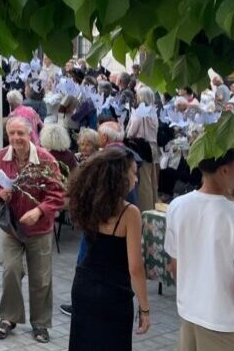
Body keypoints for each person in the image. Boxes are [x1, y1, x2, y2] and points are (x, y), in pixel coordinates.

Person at [0, 116, 65, 344]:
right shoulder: (2, 157)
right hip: (12, 227)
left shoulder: (46, 160)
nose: (16, 138)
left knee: (41, 278)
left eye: (21, 133)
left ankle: (40, 323)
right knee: (10, 271)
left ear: (30, 134)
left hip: (39, 229)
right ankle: (9, 317)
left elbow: (58, 194)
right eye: (12, 134)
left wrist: (39, 211)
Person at [67, 148, 150, 351]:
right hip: (113, 291)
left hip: (84, 283)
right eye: (133, 172)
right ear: (119, 176)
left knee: (82, 343)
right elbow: (135, 268)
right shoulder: (130, 213)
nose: (136, 179)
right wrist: (145, 308)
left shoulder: (87, 200)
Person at [165, 144, 234, 351]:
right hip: (224, 323)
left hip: (190, 313)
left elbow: (175, 266)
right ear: (224, 170)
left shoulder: (177, 205)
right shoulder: (232, 216)